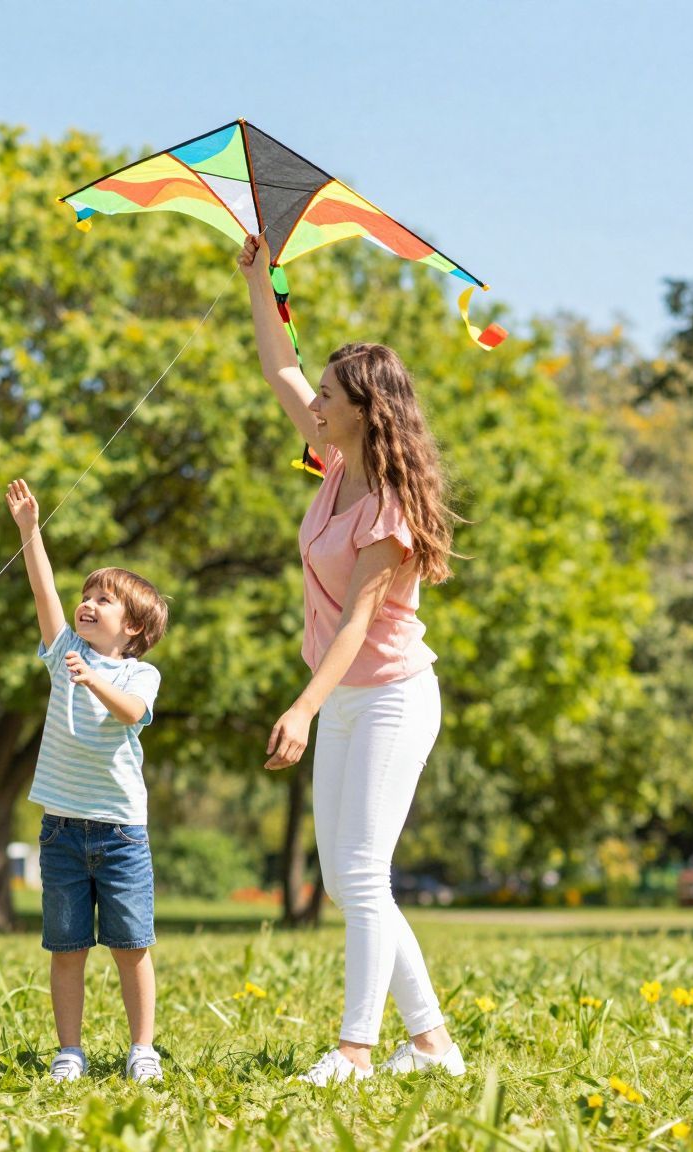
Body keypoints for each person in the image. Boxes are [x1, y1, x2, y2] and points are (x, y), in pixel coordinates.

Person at [238, 235, 466, 1085]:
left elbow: (356, 627)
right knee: (348, 879)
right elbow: (279, 368)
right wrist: (260, 280)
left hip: (390, 697)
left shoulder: (393, 513)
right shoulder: (338, 462)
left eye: (331, 396)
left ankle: (356, 1050)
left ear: (367, 411)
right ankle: (434, 1044)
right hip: (345, 697)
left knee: (364, 874)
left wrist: (301, 707)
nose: (317, 405)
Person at [5, 479, 169, 1084]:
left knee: (132, 947)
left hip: (122, 834)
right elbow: (43, 590)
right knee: (66, 949)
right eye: (88, 595)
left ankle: (141, 1049)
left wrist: (91, 679)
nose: (89, 603)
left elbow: (129, 713)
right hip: (62, 832)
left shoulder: (140, 674)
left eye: (106, 600)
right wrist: (30, 530)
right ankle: (68, 1050)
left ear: (134, 629)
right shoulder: (64, 649)